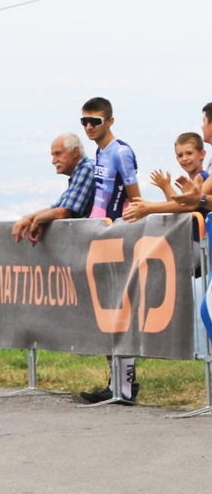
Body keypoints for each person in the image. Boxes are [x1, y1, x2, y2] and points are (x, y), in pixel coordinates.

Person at [76, 97, 142, 404]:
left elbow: (135, 199)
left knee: (119, 312)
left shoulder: (120, 152)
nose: (89, 127)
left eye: (95, 121)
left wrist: (121, 229)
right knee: (105, 314)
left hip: (117, 238)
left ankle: (126, 386)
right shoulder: (100, 152)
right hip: (100, 237)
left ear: (110, 122)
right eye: (84, 122)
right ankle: (115, 382)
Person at [12, 133, 95, 244]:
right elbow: (56, 208)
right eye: (53, 155)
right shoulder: (79, 173)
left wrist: (37, 220)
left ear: (75, 152)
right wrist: (28, 218)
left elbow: (63, 212)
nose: (54, 161)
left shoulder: (86, 169)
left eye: (58, 154)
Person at [124, 132, 211, 223]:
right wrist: (165, 187)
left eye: (189, 153)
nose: (184, 158)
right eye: (180, 155)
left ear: (202, 154)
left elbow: (185, 206)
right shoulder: (192, 181)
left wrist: (150, 206)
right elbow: (177, 208)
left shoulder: (200, 178)